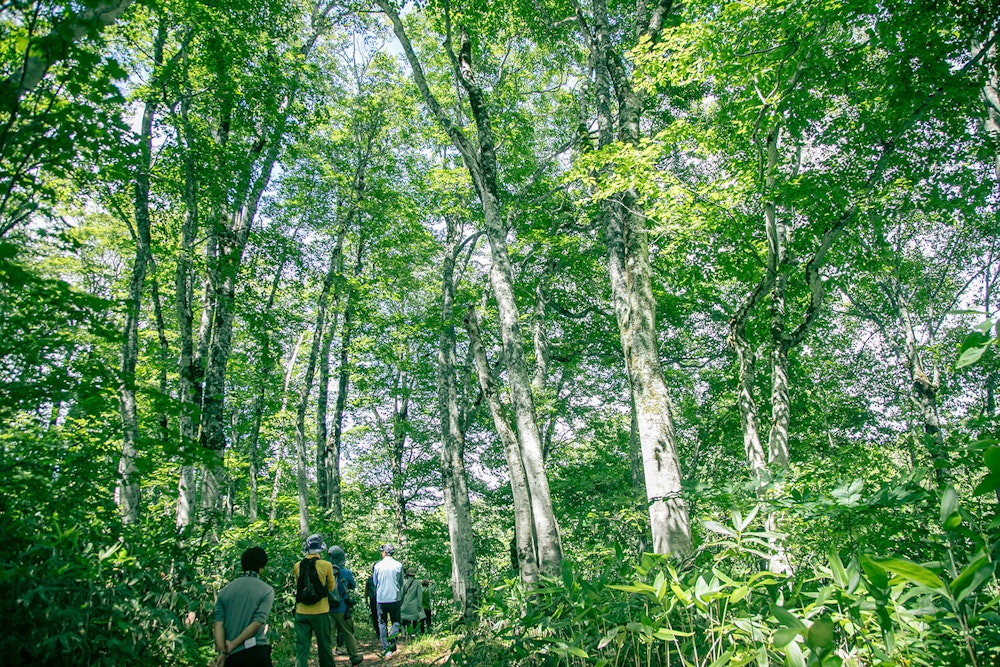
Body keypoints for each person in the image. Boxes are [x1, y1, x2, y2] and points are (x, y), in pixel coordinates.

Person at [212, 546, 275, 667]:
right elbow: (257, 623)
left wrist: (223, 652)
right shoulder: (267, 590)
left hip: (232, 658)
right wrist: (234, 644)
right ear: (261, 568)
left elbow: (218, 625)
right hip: (257, 653)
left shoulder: (225, 591)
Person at [293, 534, 336, 667]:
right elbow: (331, 587)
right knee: (324, 645)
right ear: (320, 549)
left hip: (301, 611)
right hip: (320, 611)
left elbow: (298, 585)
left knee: (302, 647)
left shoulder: (297, 565)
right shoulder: (326, 565)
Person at [327, 545, 363, 666]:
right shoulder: (346, 572)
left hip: (328, 608)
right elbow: (352, 586)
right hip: (343, 608)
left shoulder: (325, 571)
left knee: (328, 637)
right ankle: (354, 657)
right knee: (348, 633)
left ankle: (327, 660)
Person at [371, 543, 404, 659]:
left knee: (382, 622)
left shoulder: (377, 566)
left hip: (381, 598)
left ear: (384, 553)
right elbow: (401, 583)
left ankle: (386, 648)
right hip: (395, 597)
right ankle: (393, 643)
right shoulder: (398, 565)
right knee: (396, 621)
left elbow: (375, 582)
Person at [399, 566, 422, 635]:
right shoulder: (418, 583)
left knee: (404, 618)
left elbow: (402, 594)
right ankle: (412, 633)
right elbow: (419, 595)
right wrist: (419, 605)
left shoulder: (404, 582)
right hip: (413, 605)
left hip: (405, 604)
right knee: (413, 619)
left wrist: (400, 603)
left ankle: (404, 633)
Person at [364, 570, 379, 639]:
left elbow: (366, 590)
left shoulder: (369, 579)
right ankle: (381, 632)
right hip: (380, 599)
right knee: (380, 615)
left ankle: (378, 632)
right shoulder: (380, 578)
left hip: (373, 599)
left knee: (375, 616)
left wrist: (366, 599)